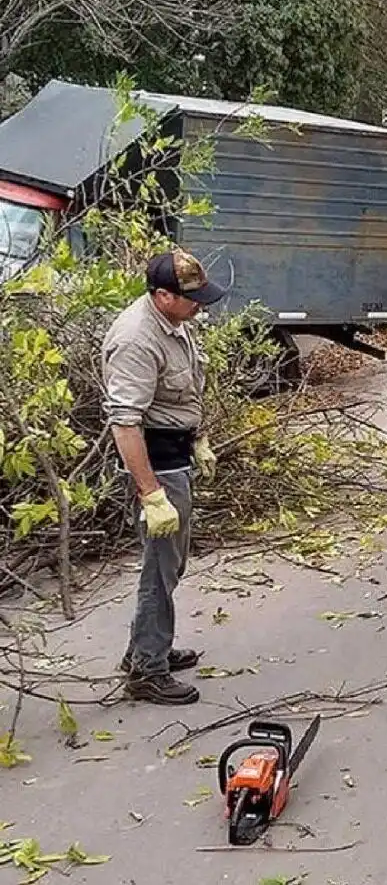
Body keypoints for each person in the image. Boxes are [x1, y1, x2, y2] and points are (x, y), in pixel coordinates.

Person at [101, 249, 226, 705]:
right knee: (160, 569)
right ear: (162, 295)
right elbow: (125, 423)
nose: (201, 305)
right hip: (154, 466)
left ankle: (145, 649)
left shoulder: (176, 324)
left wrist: (200, 437)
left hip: (176, 455)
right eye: (192, 298)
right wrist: (151, 493)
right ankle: (147, 672)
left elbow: (186, 388)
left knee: (169, 564)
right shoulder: (136, 339)